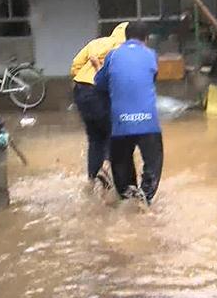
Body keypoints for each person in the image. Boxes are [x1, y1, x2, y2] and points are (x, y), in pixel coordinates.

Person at [94, 22, 163, 205]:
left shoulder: (113, 55)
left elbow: (99, 84)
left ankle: (128, 198)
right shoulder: (151, 55)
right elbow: (151, 78)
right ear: (146, 39)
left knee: (121, 165)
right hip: (149, 124)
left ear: (125, 37)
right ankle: (145, 199)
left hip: (120, 125)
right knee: (153, 163)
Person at [70, 22, 129, 188]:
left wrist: (85, 79)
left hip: (80, 90)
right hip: (100, 92)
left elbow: (75, 65)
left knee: (95, 138)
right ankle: (106, 168)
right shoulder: (123, 49)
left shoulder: (96, 43)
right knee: (115, 132)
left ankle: (92, 181)